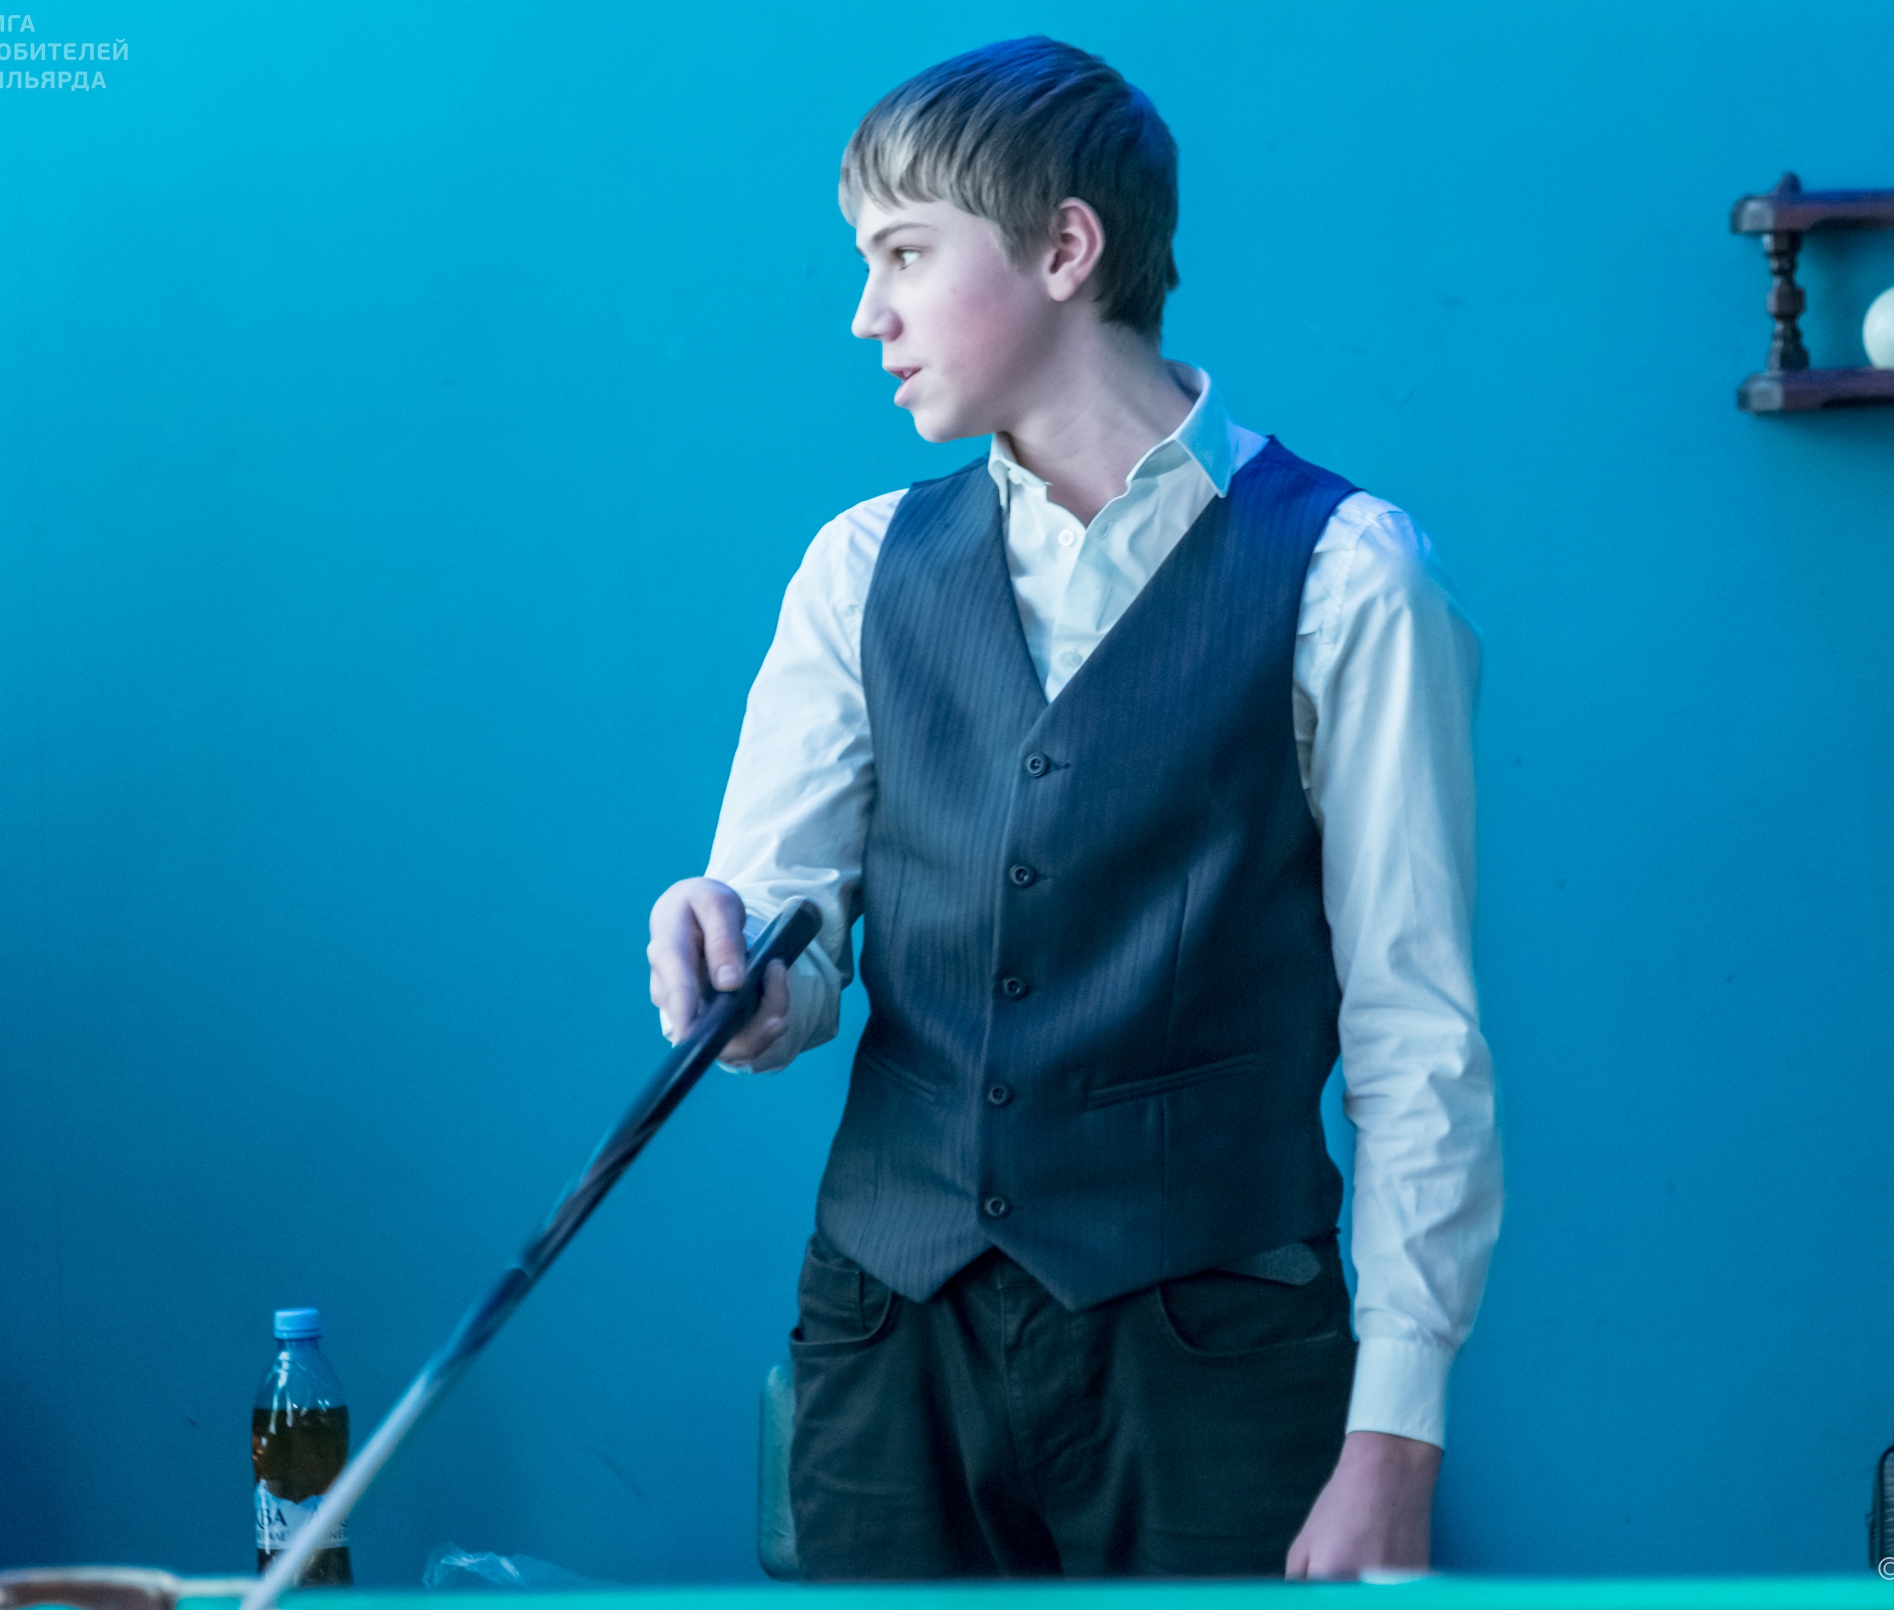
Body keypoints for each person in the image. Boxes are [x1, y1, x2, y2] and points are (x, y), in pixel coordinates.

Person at [645, 36, 1499, 1581]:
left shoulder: (1353, 576)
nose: (866, 313)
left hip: (1216, 1347)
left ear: (1063, 248)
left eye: (905, 254)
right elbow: (787, 964)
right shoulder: (858, 568)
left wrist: (1396, 1433)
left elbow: (1414, 1027)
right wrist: (736, 968)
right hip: (889, 1336)